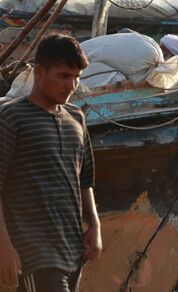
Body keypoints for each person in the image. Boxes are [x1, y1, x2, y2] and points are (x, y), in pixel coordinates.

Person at [0, 34, 101, 291]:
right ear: (40, 72)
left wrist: (94, 225)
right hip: (33, 253)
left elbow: (84, 179)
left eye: (77, 77)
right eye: (64, 76)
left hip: (72, 248)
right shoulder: (11, 118)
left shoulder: (76, 118)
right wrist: (4, 246)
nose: (72, 85)